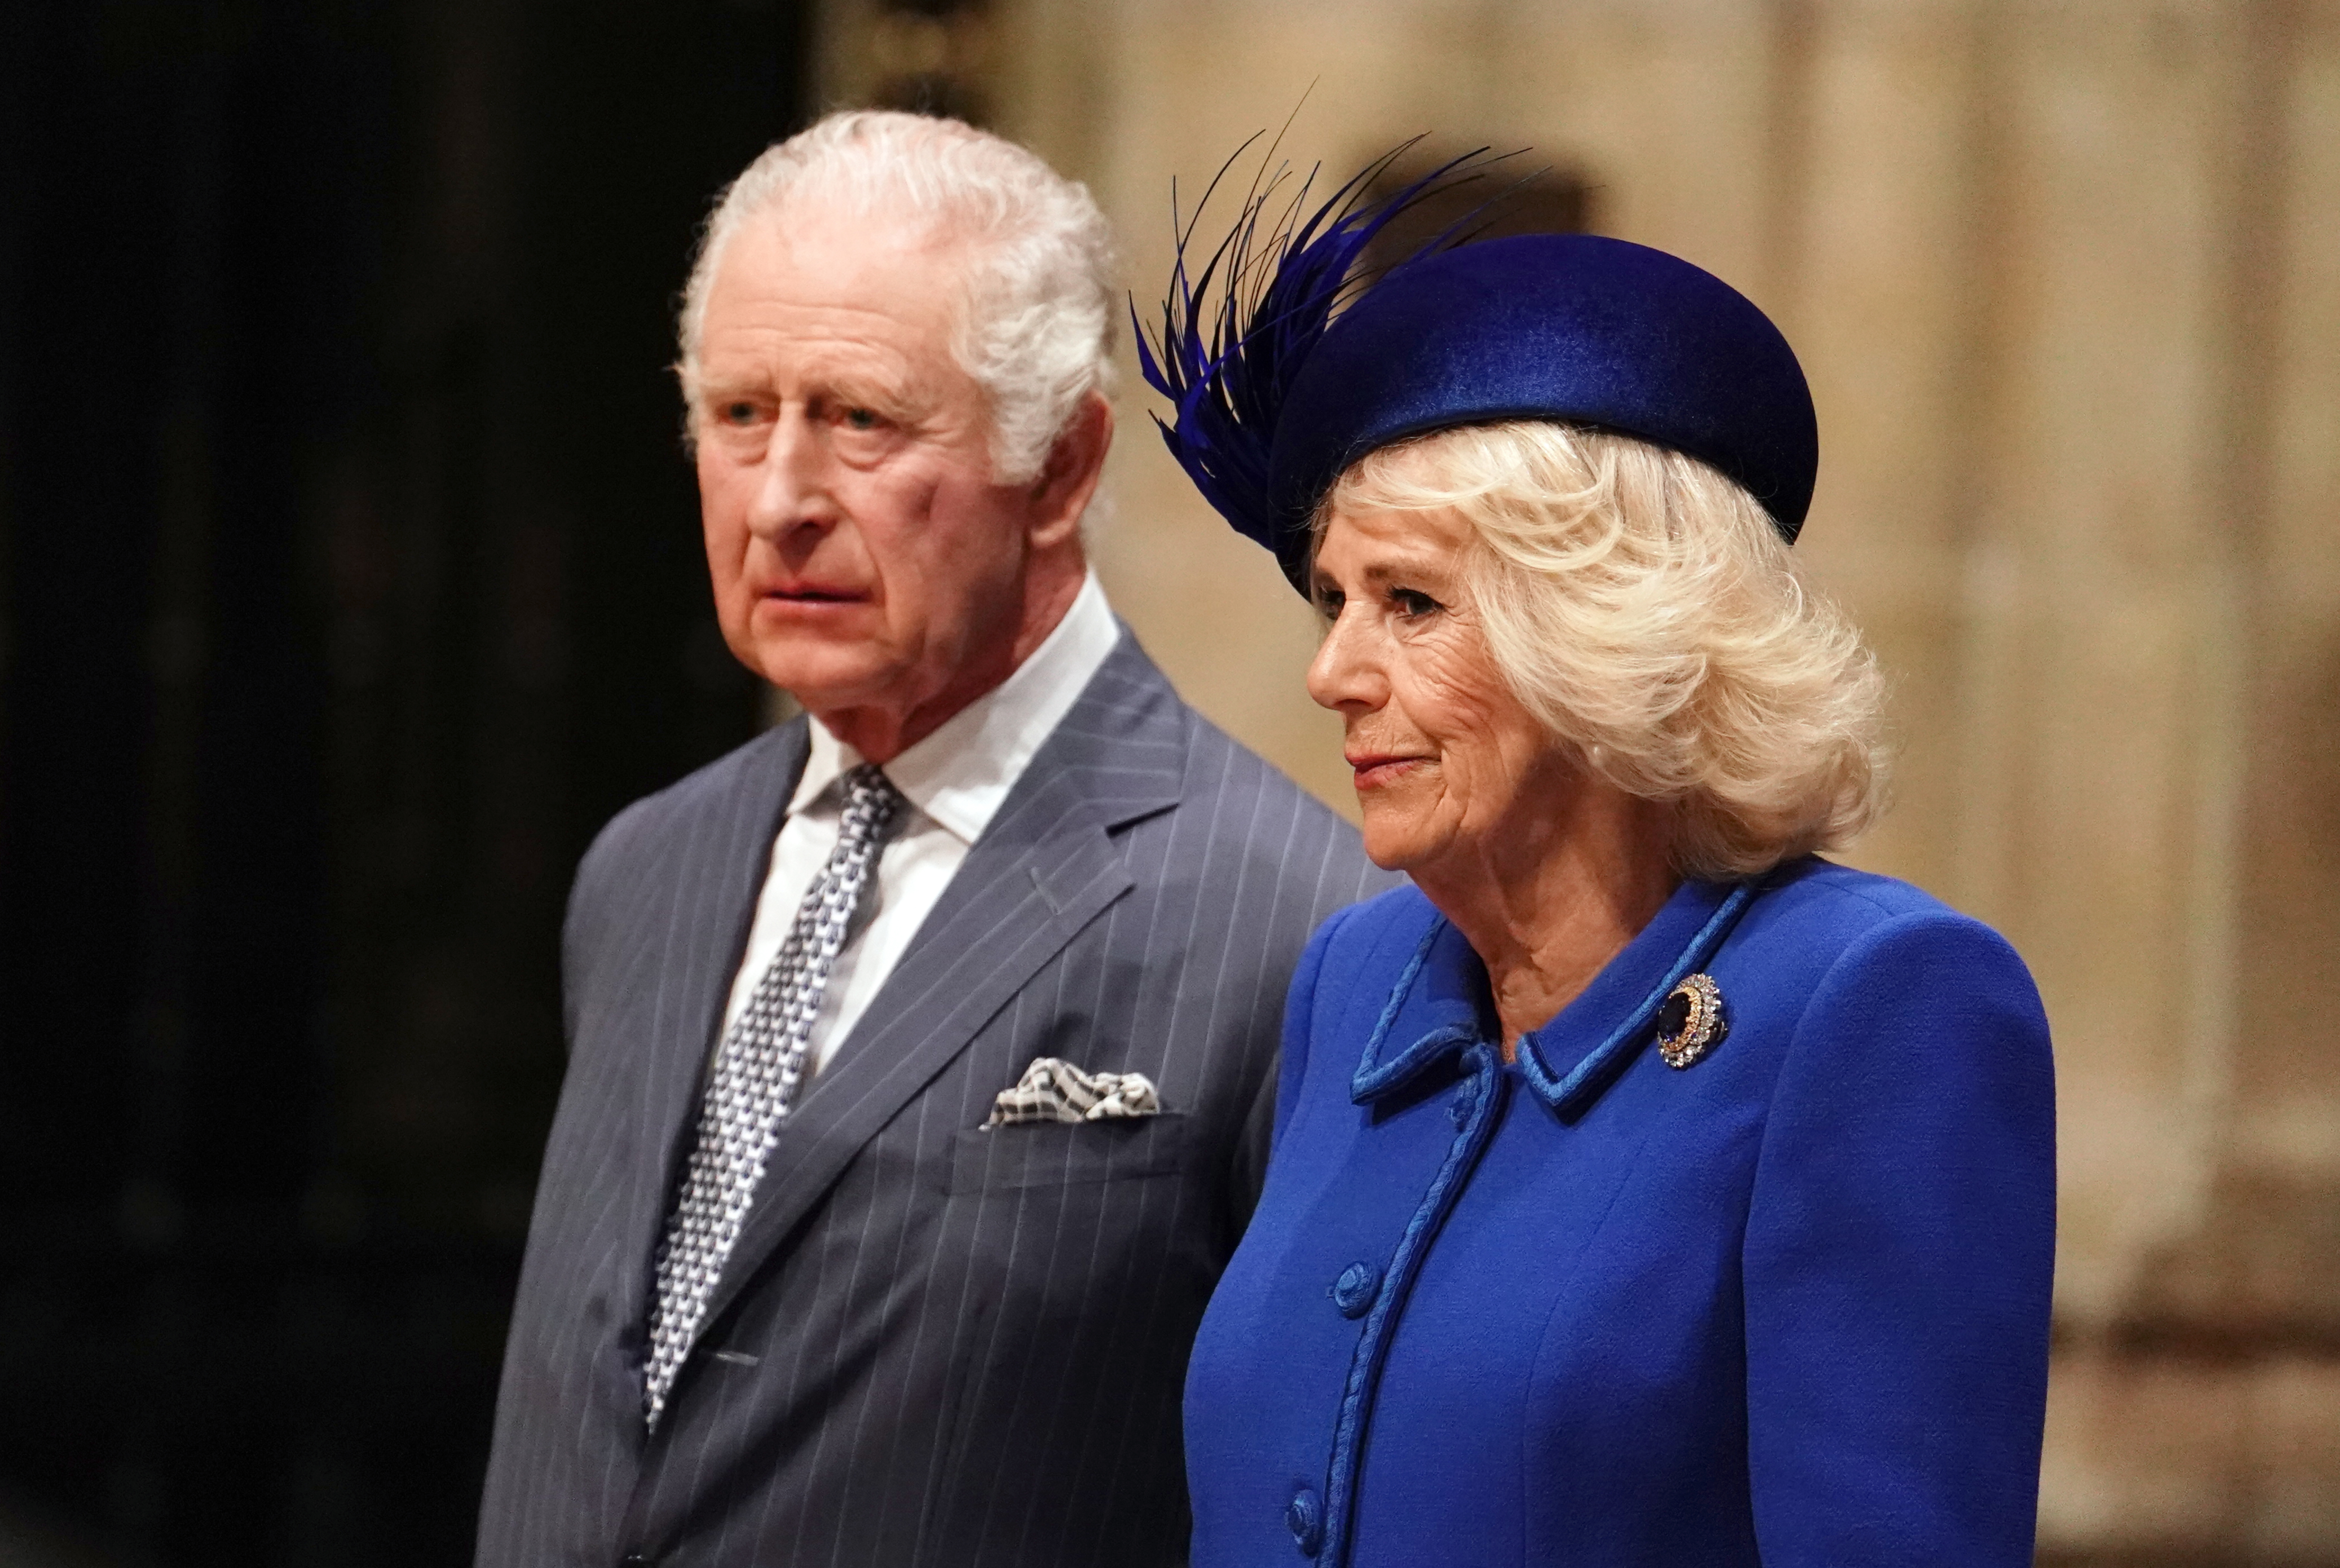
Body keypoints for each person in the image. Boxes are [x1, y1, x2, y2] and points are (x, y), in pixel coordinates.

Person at [476, 112, 1389, 1568]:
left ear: (1065, 468)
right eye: (737, 416)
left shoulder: (1297, 920)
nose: (780, 502)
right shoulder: (643, 870)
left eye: (861, 420)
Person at [1138, 161, 2056, 1566]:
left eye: (1411, 602)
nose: (1333, 671)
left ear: (1608, 635)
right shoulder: (1359, 979)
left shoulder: (1876, 1004)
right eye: (1335, 600)